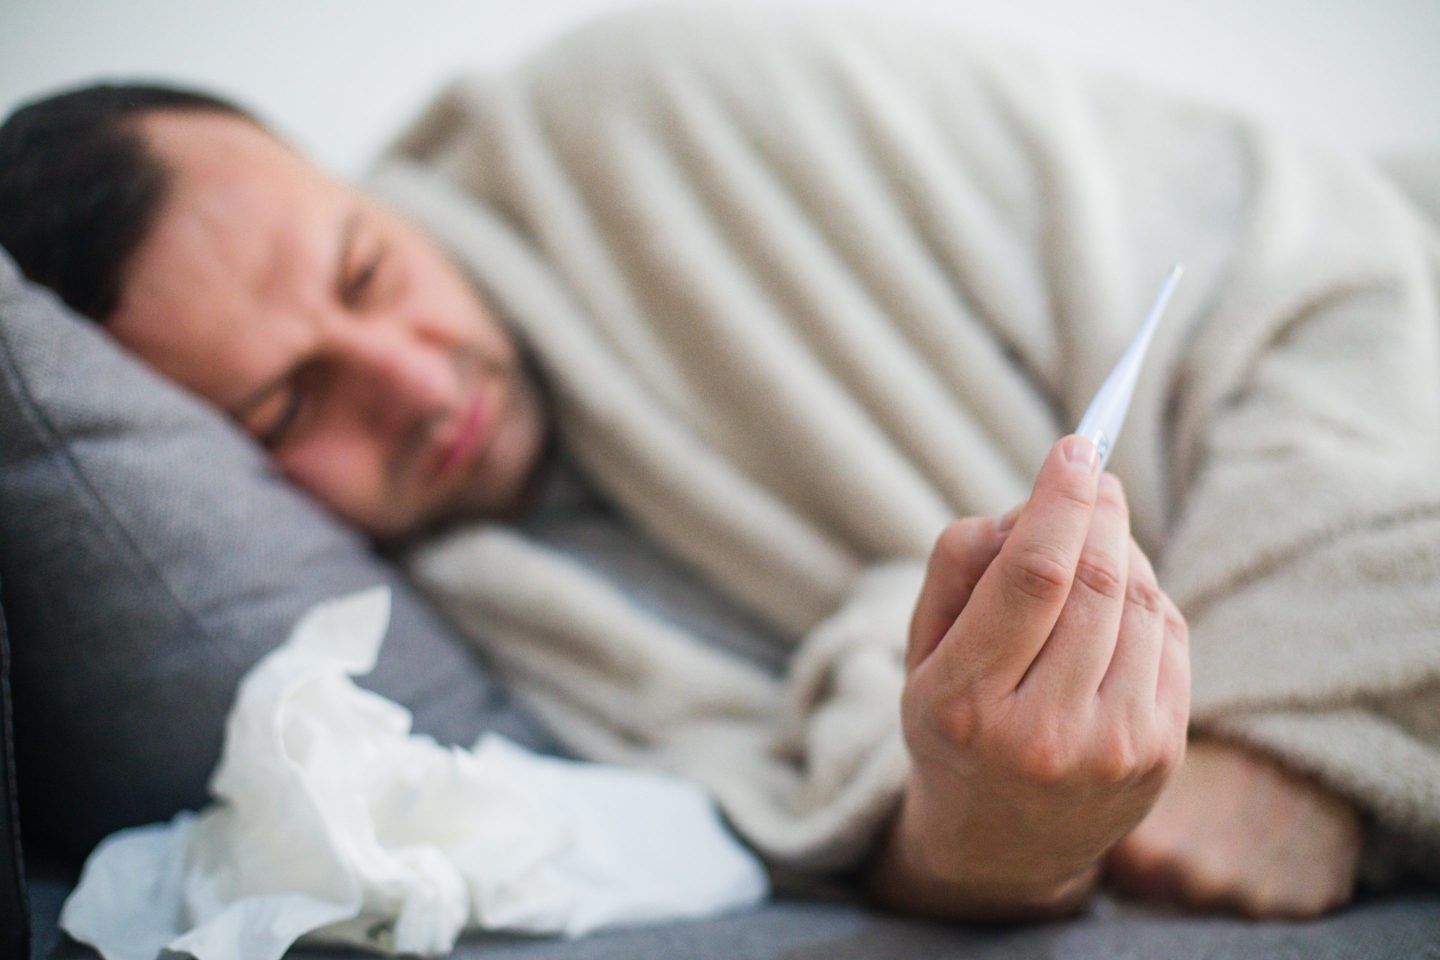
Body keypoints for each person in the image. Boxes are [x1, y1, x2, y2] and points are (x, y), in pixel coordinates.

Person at [1, 6, 1431, 924]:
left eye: (366, 270)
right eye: (283, 407)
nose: (413, 380)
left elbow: (1311, 245)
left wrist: (1294, 724)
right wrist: (999, 829)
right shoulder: (463, 640)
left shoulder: (667, 101)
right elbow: (856, 824)